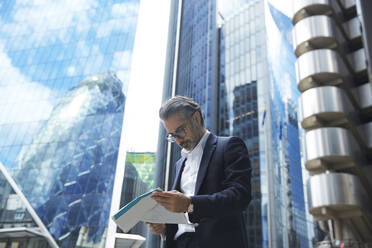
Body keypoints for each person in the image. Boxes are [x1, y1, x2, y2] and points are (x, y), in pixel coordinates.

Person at [147, 96, 251, 248]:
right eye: (172, 135)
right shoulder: (179, 164)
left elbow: (239, 196)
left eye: (180, 131)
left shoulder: (228, 146)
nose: (178, 141)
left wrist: (190, 204)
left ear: (196, 118)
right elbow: (181, 216)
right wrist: (166, 229)